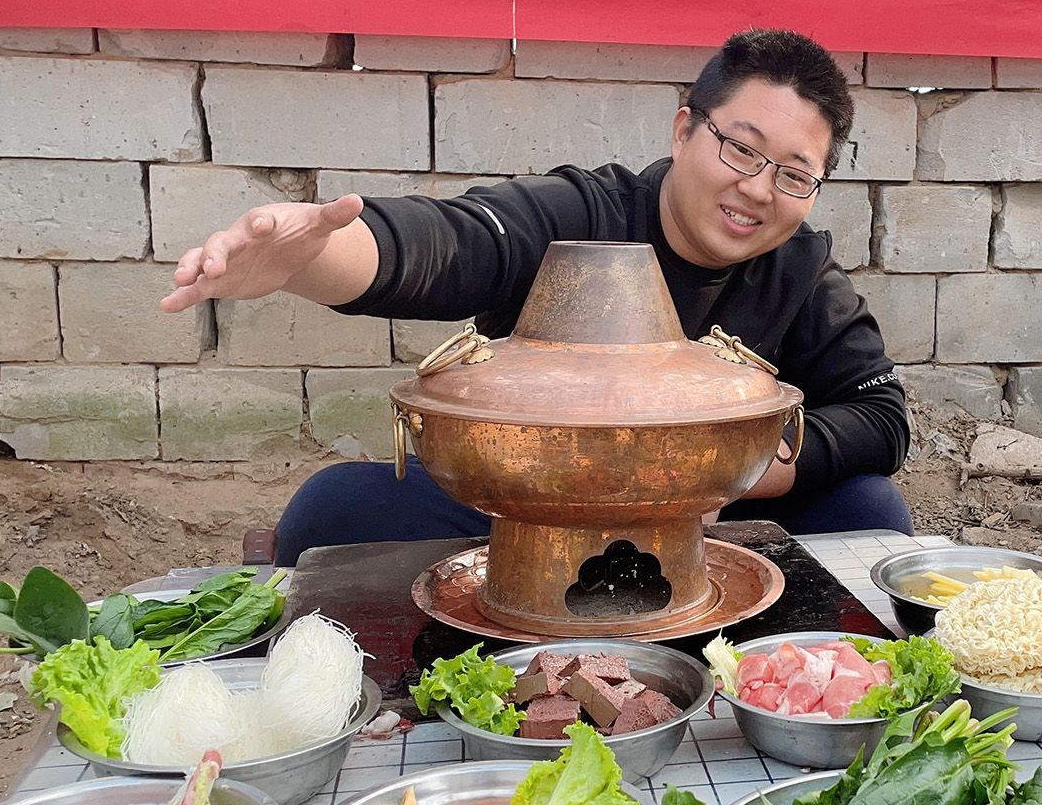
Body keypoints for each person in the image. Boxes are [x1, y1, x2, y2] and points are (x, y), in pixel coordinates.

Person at [161, 28, 913, 566]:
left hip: (715, 514)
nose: (757, 189)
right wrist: (314, 255)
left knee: (871, 512)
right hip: (528, 502)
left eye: (793, 173)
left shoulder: (802, 268)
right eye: (740, 148)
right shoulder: (578, 215)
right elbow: (453, 241)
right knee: (331, 514)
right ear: (685, 128)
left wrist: (736, 469)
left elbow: (879, 416)